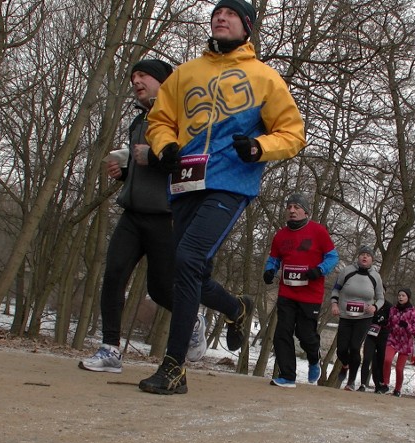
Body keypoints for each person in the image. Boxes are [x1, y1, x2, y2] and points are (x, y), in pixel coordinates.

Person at [139, 0, 306, 394]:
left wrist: (259, 148)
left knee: (188, 259)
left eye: (230, 14)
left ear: (246, 27)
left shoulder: (265, 78)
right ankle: (236, 308)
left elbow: (293, 133)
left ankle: (174, 367)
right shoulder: (185, 74)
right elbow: (160, 121)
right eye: (216, 12)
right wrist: (163, 146)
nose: (221, 16)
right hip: (184, 182)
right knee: (185, 272)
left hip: (231, 183)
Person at [78, 59, 176, 374]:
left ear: (163, 81)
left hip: (165, 217)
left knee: (161, 290)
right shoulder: (138, 122)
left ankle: (193, 316)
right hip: (133, 215)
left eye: (143, 75)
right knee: (113, 276)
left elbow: (183, 164)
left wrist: (154, 159)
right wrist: (124, 173)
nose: (136, 81)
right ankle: (110, 350)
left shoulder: (180, 117)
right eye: (133, 76)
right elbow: (140, 168)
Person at [263, 193, 338, 388]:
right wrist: (269, 270)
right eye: (289, 207)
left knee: (305, 335)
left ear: (306, 211)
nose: (292, 210)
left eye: (296, 207)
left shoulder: (318, 232)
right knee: (282, 332)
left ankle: (314, 359)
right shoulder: (280, 235)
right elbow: (274, 259)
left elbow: (332, 257)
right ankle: (288, 376)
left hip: (310, 294)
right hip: (286, 292)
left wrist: (319, 270)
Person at [330, 246, 384, 391]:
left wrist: (375, 307)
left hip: (364, 317)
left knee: (354, 347)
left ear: (372, 259)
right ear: (358, 257)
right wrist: (334, 304)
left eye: (368, 255)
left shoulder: (375, 277)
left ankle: (351, 381)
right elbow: (336, 289)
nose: (364, 257)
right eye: (362, 255)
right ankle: (345, 365)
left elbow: (380, 299)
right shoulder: (347, 271)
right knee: (341, 350)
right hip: (346, 316)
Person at [382, 288, 415, 396]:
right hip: (393, 339)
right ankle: (385, 384)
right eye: (399, 295)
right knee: (387, 360)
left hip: (405, 343)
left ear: (408, 297)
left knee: (399, 368)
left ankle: (398, 389)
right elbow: (389, 324)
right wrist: (384, 322)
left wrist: (407, 326)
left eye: (403, 296)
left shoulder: (413, 312)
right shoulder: (393, 310)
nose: (400, 297)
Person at [360, 295, 393, 393]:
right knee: (366, 358)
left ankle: (379, 385)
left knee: (379, 361)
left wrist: (383, 321)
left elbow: (392, 321)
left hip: (383, 336)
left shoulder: (389, 306)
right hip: (371, 334)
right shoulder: (369, 303)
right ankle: (362, 384)